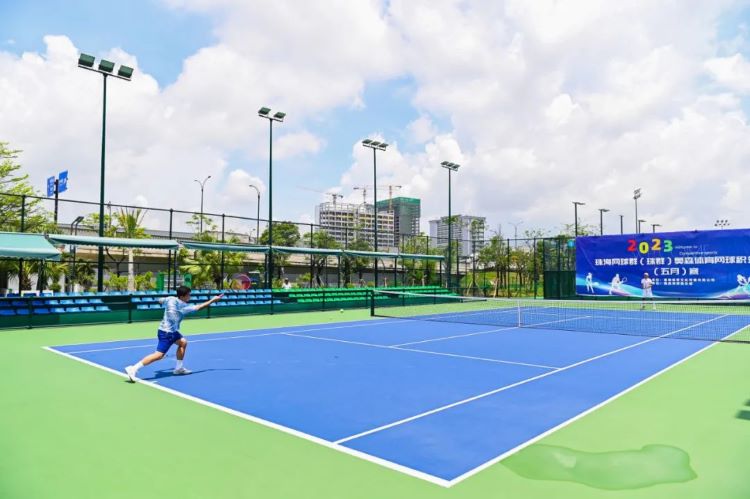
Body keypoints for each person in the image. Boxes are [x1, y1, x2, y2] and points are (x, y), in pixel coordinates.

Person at [124, 286, 223, 382]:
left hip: (169, 331)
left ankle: (178, 368)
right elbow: (199, 307)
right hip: (167, 333)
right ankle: (133, 368)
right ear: (182, 296)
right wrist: (212, 300)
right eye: (188, 295)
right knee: (158, 355)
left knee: (183, 342)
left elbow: (160, 300)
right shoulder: (184, 306)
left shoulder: (170, 298)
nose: (190, 297)